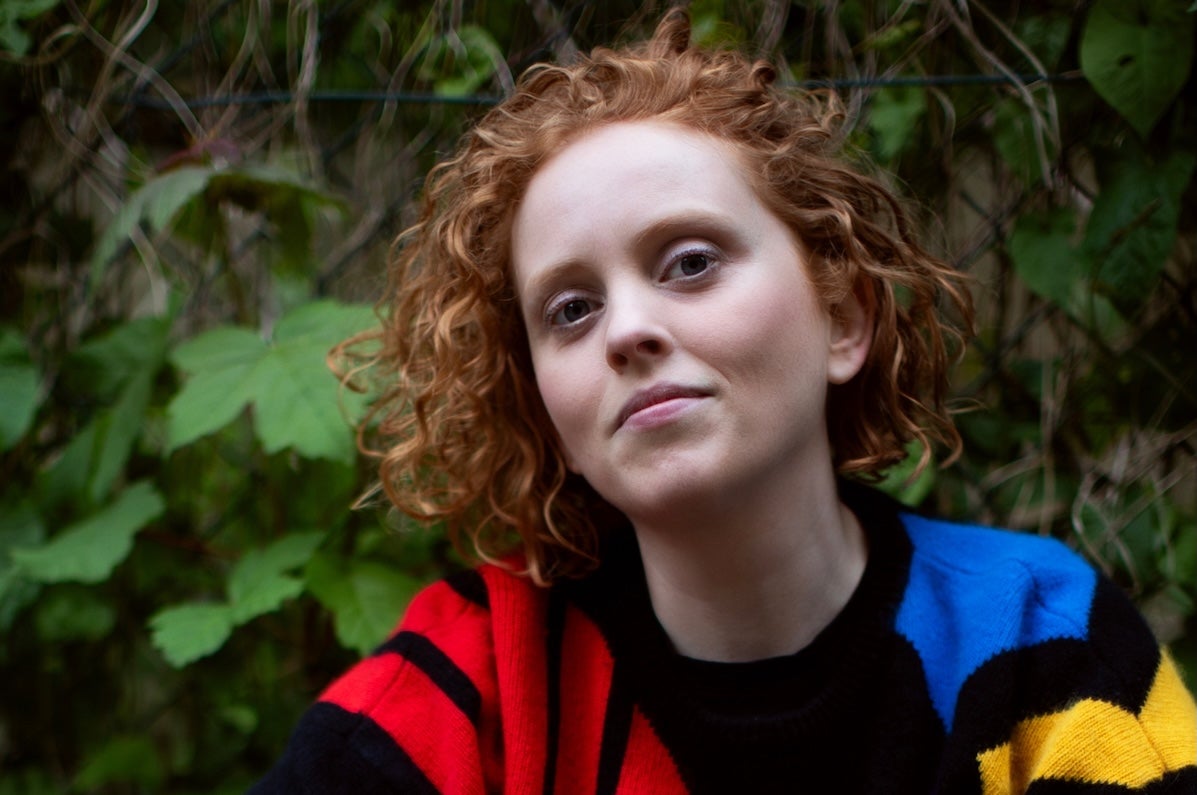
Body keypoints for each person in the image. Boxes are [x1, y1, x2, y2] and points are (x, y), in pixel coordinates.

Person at [252, 9, 1197, 794]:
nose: (626, 330)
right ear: (542, 405)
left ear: (843, 319)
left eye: (690, 262)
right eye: (570, 309)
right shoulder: (473, 687)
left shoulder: (1037, 638)